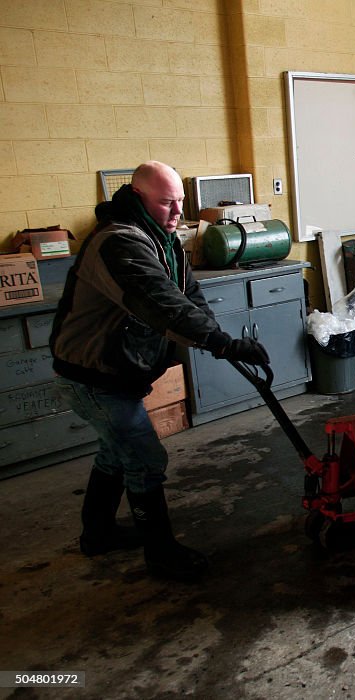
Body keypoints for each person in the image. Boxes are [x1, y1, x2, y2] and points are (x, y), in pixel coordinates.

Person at [50, 161, 270, 582]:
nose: (175, 212)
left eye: (180, 202)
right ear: (137, 199)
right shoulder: (119, 243)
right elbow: (159, 304)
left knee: (116, 453)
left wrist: (221, 341)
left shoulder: (164, 239)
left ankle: (97, 535)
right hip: (92, 377)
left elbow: (186, 295)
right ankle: (161, 553)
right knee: (146, 459)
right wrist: (222, 343)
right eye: (166, 203)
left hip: (113, 372)